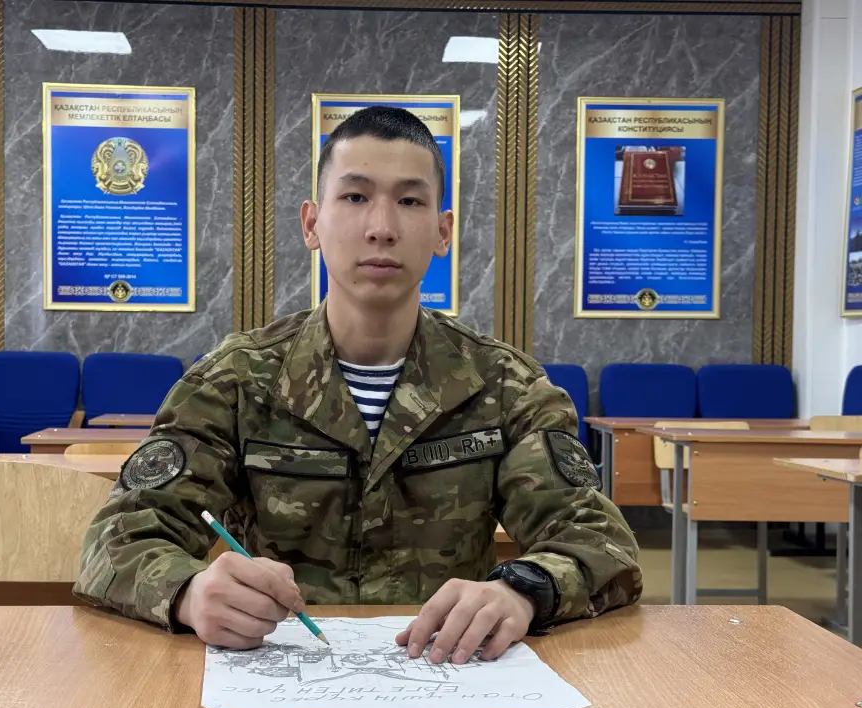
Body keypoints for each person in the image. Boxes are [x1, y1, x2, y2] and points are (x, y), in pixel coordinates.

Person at [73, 106, 642, 666]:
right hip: (280, 675)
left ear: (442, 231)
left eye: (410, 201)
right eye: (354, 196)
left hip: (445, 677)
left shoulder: (505, 386)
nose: (382, 227)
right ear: (311, 224)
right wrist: (189, 592)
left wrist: (524, 589)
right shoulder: (236, 382)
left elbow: (602, 542)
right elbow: (116, 539)